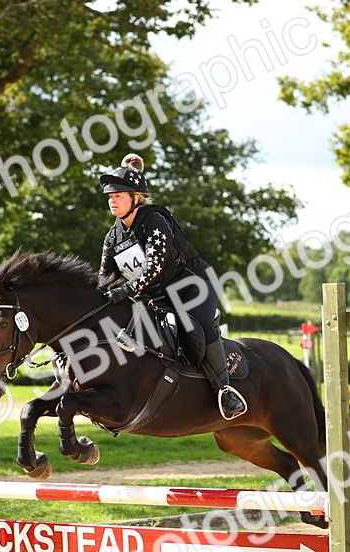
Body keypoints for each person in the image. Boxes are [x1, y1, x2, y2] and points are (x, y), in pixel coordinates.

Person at [97, 153, 247, 420]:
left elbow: (155, 266)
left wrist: (126, 290)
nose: (112, 201)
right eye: (110, 197)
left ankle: (225, 390)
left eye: (118, 196)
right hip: (155, 296)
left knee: (195, 325)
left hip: (192, 287)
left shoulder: (154, 221)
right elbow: (104, 277)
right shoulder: (113, 237)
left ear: (135, 198)